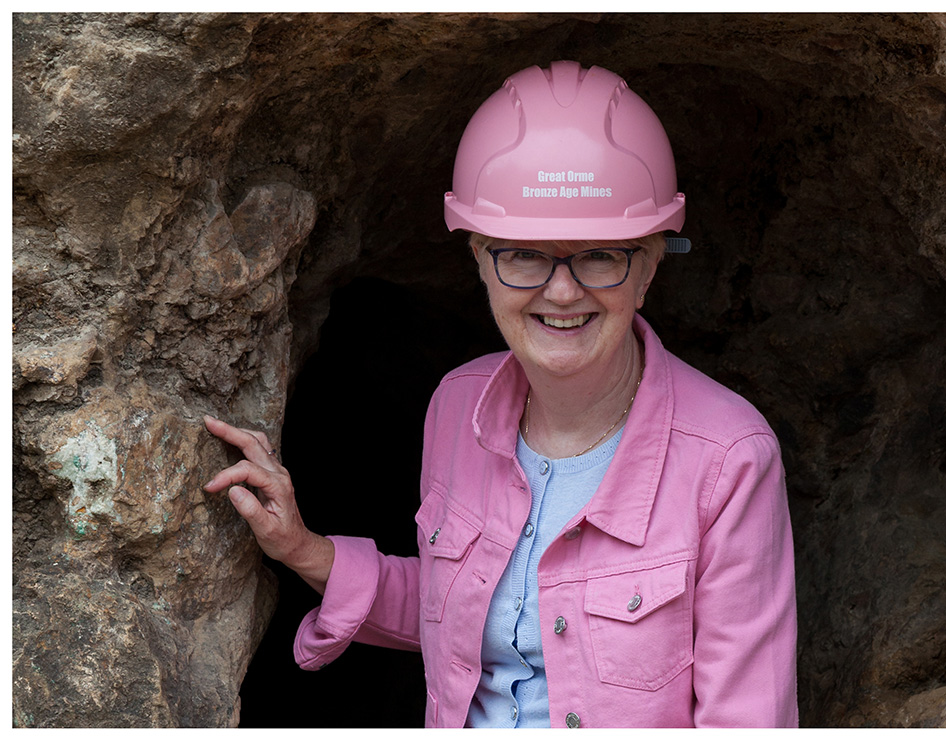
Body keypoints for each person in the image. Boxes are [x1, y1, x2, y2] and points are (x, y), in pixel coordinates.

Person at [203, 60, 797, 728]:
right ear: (479, 258)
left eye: (601, 254)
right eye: (523, 254)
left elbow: (748, 716)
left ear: (653, 261)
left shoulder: (728, 459)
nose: (563, 290)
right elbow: (459, 612)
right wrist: (301, 547)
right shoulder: (457, 407)